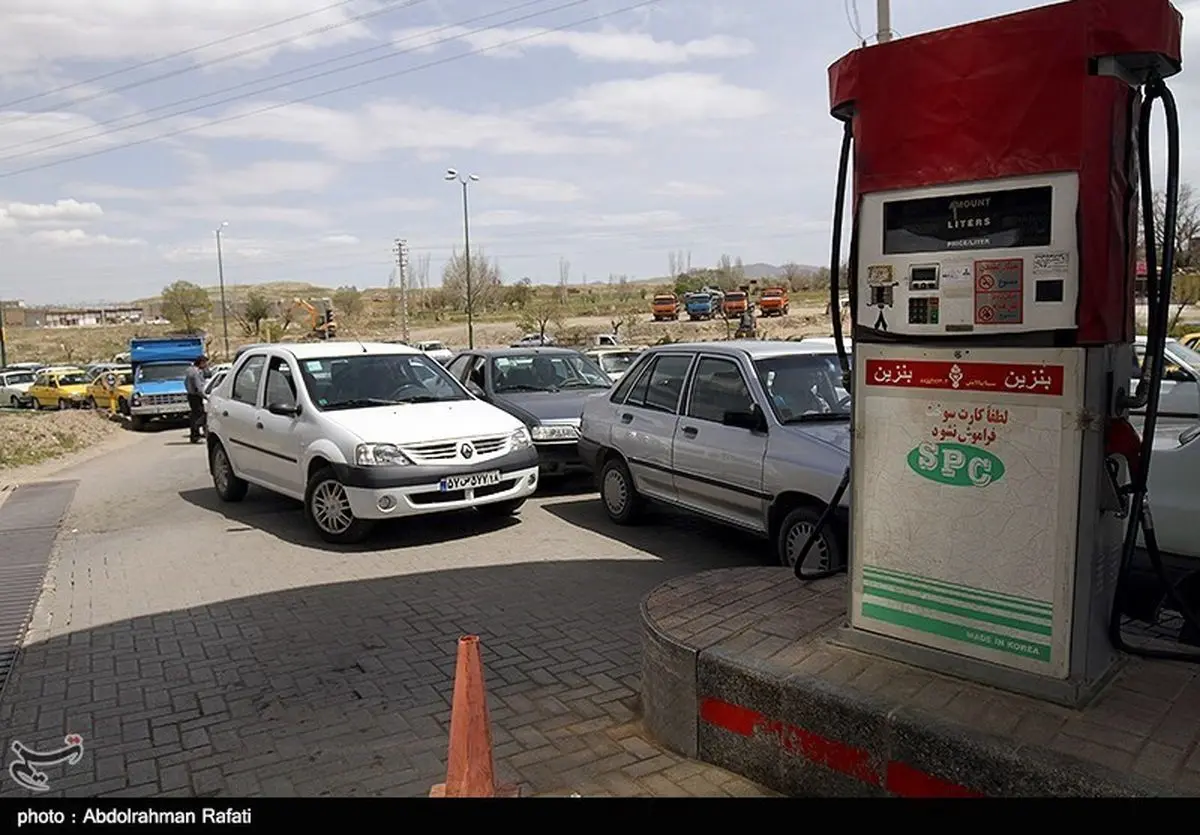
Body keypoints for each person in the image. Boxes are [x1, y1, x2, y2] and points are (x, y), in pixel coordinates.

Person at [184, 356, 209, 444]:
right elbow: (198, 387)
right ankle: (195, 436)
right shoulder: (196, 372)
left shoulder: (190, 370)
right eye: (205, 363)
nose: (206, 365)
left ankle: (196, 434)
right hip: (196, 396)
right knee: (200, 416)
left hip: (191, 396)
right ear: (201, 362)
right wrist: (206, 397)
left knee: (196, 416)